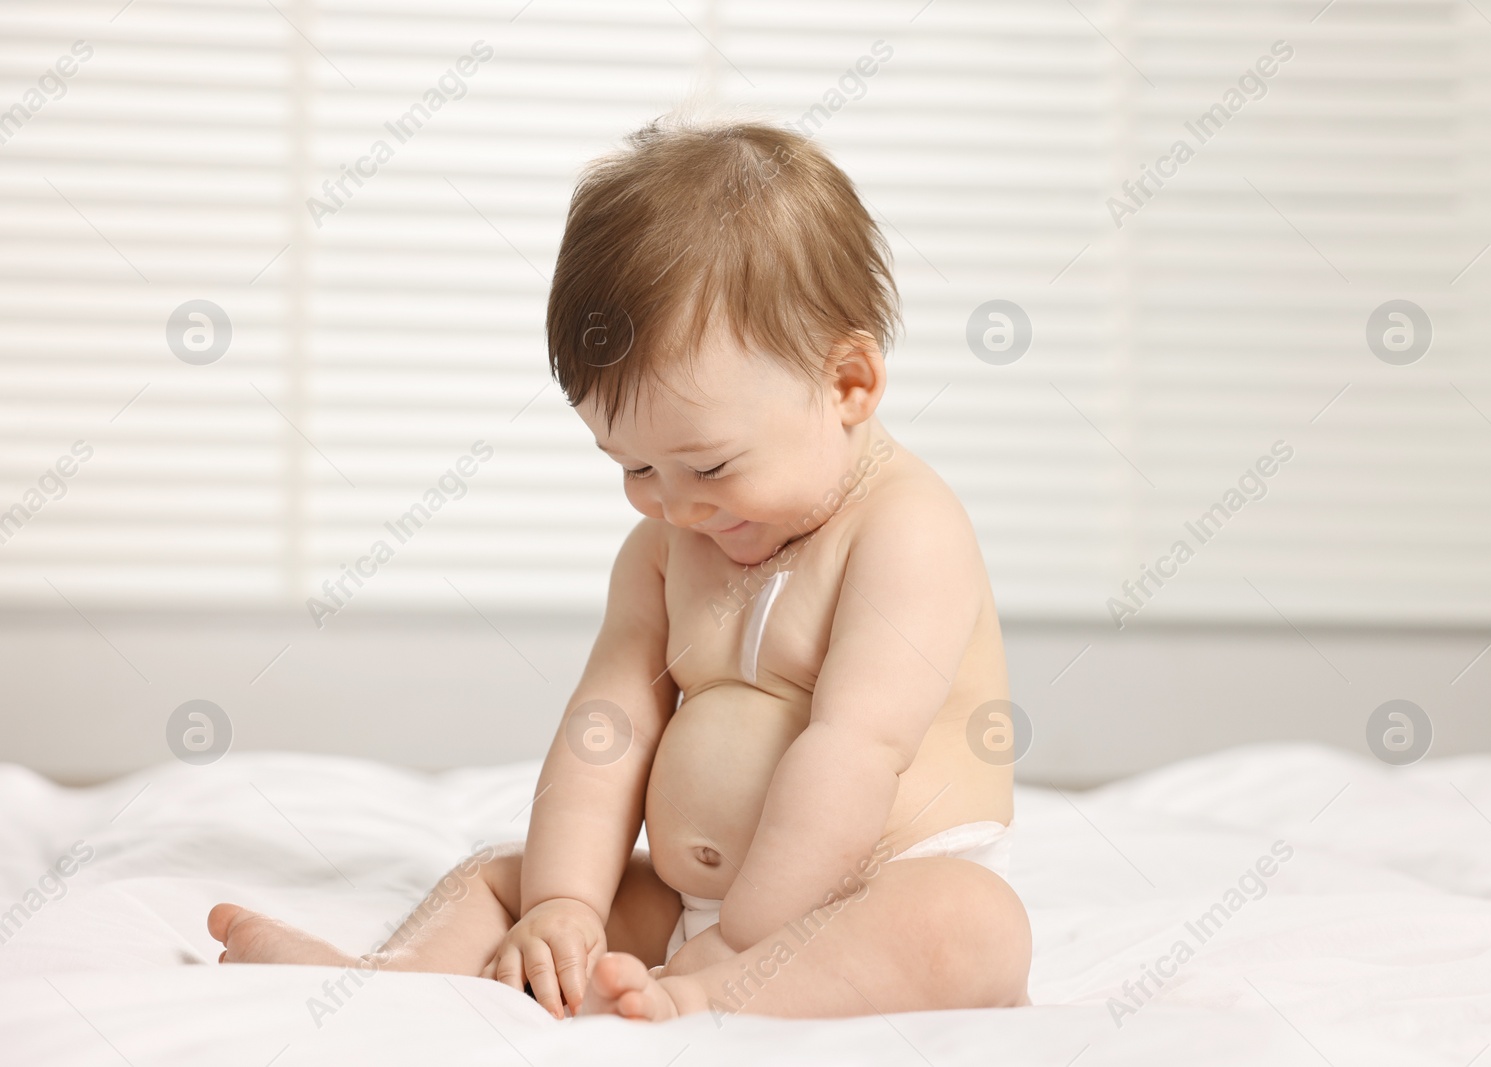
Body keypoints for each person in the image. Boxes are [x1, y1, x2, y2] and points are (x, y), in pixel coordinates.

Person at [209, 114, 1031, 1022]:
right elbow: (608, 724)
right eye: (633, 467)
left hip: (857, 897)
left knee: (971, 926)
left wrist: (745, 941)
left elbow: (855, 750)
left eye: (710, 466)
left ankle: (711, 998)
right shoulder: (670, 548)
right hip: (688, 905)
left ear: (847, 385)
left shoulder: (907, 531)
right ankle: (385, 980)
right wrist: (565, 902)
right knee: (499, 878)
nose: (674, 506)